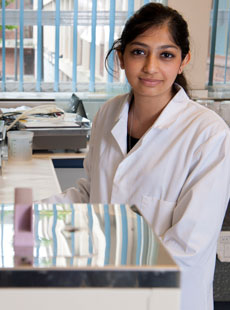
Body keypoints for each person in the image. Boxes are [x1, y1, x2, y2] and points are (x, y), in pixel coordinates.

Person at [43, 3, 230, 310]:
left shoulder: (209, 136)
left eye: (166, 54)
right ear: (121, 57)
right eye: (139, 52)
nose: (151, 67)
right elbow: (91, 194)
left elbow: (188, 247)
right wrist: (26, 217)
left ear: (184, 61)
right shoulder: (108, 114)